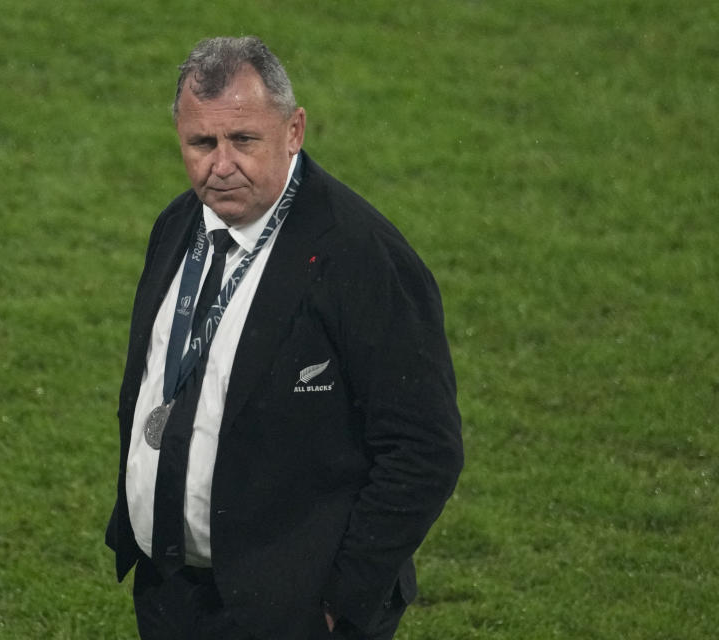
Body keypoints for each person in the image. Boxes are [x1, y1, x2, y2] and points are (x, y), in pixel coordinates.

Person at [106, 35, 463, 640]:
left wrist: (338, 600)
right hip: (172, 594)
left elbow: (424, 449)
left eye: (243, 140)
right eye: (201, 143)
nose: (220, 165)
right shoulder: (178, 225)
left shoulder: (361, 257)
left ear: (293, 131)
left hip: (292, 614)